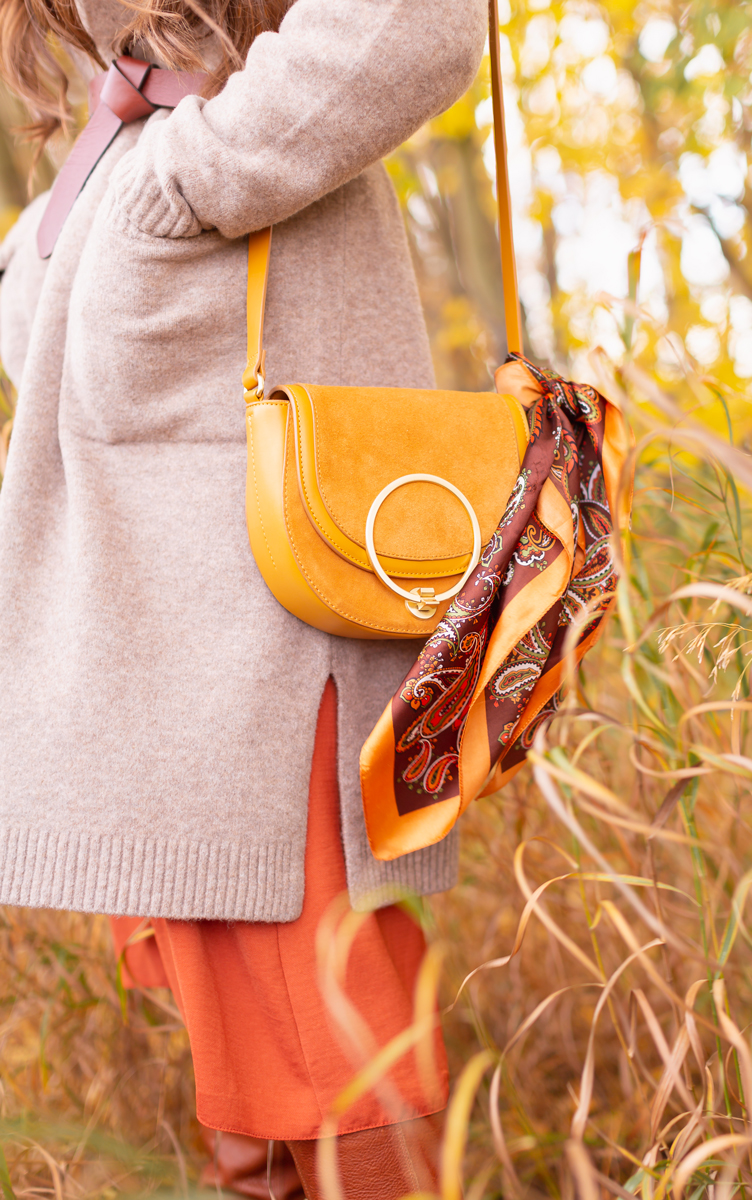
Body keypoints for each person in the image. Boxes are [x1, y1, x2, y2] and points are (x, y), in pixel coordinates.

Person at [0, 0, 487, 1194]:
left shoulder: (220, 114)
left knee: (331, 1035)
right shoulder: (136, 109)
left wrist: (183, 172)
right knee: (253, 1081)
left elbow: (420, 21)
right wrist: (78, 230)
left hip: (256, 643)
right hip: (165, 646)